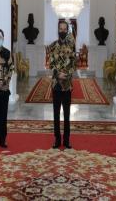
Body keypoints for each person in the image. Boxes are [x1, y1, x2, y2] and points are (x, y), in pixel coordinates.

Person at [49, 20, 76, 149]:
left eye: (65, 29)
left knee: (66, 114)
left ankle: (66, 140)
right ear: (58, 29)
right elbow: (51, 64)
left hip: (67, 85)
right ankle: (57, 139)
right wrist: (57, 74)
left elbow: (73, 65)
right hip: (56, 84)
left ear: (67, 30)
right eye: (61, 29)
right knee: (55, 114)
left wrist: (66, 75)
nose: (63, 31)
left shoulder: (71, 46)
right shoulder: (52, 46)